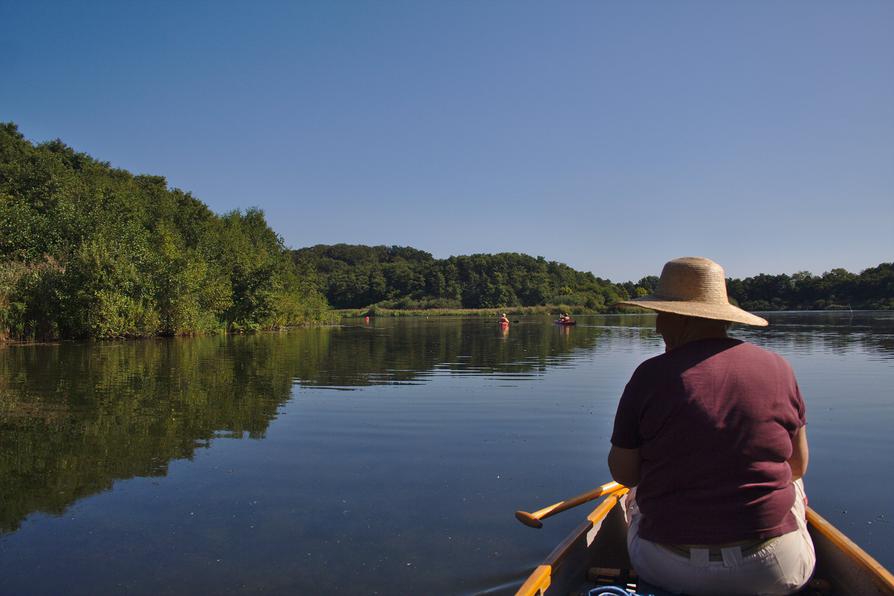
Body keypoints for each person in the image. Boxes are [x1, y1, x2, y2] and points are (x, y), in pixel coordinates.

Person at [608, 257, 815, 596]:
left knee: (632, 496)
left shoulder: (649, 376)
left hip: (671, 569)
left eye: (661, 315)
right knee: (796, 483)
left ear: (680, 317)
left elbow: (624, 474)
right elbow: (797, 466)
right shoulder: (779, 368)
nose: (658, 327)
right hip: (772, 570)